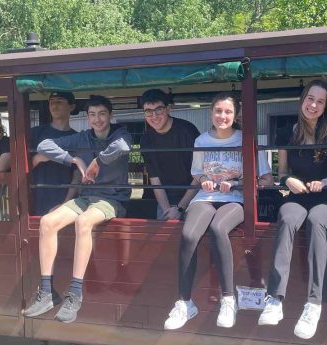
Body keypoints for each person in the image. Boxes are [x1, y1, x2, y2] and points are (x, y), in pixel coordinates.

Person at [163, 92, 273, 330]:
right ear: (211, 113)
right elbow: (197, 173)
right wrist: (204, 180)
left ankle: (228, 300)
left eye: (228, 112)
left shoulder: (247, 140)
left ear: (236, 115)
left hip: (235, 199)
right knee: (189, 235)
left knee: (218, 228)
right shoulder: (201, 141)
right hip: (206, 197)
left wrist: (236, 183)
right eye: (218, 111)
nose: (222, 116)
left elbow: (266, 179)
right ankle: (184, 303)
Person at [21, 95, 132, 323]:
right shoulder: (82, 137)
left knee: (84, 222)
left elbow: (122, 146)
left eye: (102, 114)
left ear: (111, 115)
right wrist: (73, 161)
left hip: (111, 199)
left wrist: (97, 161)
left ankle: (75, 293)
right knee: (47, 222)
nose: (97, 119)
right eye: (92, 115)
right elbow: (44, 145)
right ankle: (47, 291)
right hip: (85, 197)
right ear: (87, 117)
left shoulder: (120, 134)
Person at [257, 80, 327, 339]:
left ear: (326, 106)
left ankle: (314, 303)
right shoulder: (287, 131)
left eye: (320, 101)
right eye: (310, 99)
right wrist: (288, 181)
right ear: (302, 99)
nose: (314, 105)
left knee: (316, 220)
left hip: (326, 196)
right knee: (287, 218)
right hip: (297, 195)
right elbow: (282, 172)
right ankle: (275, 299)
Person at [139, 89, 200, 220]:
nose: (154, 116)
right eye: (148, 111)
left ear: (168, 109)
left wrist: (180, 208)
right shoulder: (146, 139)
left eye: (159, 110)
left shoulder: (187, 131)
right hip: (165, 201)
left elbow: (199, 174)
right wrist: (167, 210)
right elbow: (155, 180)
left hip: (195, 197)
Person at [29, 92, 77, 216]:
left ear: (71, 107)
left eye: (59, 101)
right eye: (52, 102)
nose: (54, 105)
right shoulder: (34, 133)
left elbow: (77, 177)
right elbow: (19, 169)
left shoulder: (78, 138)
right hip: (34, 201)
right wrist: (38, 158)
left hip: (64, 204)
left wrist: (65, 205)